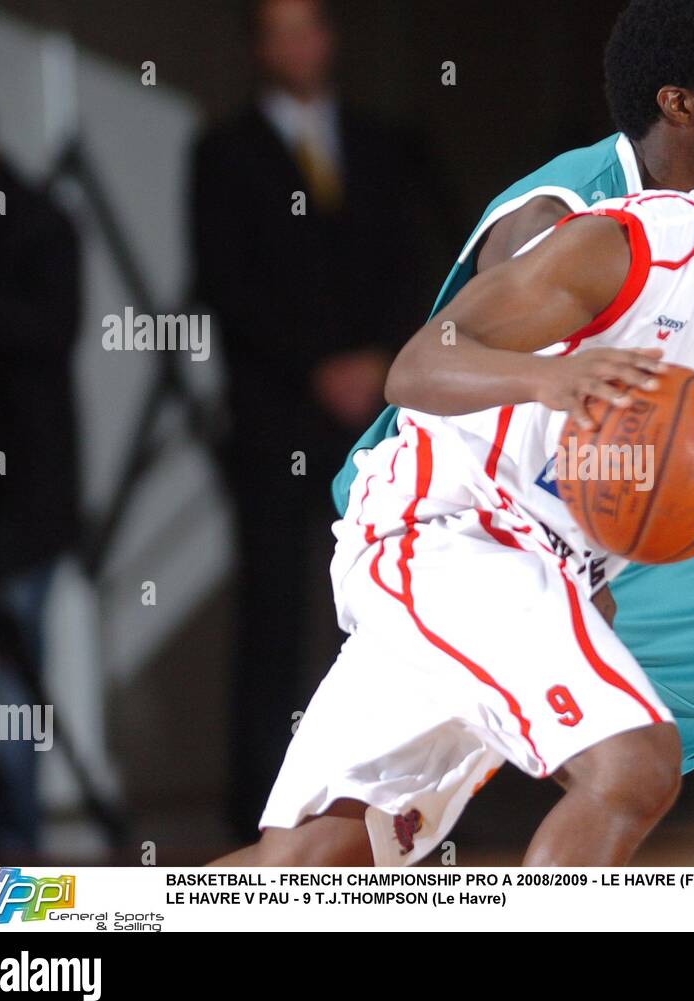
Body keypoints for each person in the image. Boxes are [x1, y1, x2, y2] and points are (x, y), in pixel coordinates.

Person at [217, 45, 694, 868]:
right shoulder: (629, 248)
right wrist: (550, 377)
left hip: (554, 568)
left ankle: (59, 911)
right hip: (445, 532)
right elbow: (417, 366)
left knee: (318, 861)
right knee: (634, 765)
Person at [189, 0, 423, 836]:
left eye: (309, 24)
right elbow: (228, 283)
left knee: (383, 611)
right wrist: (317, 366)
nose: (298, 44)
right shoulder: (223, 151)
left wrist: (380, 359)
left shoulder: (382, 140)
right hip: (275, 418)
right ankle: (260, 819)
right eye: (279, 29)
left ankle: (374, 810)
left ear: (330, 36)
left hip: (377, 418)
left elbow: (417, 257)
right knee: (273, 617)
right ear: (258, 47)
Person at [0, 78, 81, 855]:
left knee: (14, 690)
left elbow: (54, 329)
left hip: (21, 496)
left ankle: (16, 858)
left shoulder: (37, 224)